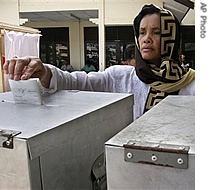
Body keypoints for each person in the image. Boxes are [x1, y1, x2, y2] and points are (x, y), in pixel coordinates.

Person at [3, 4, 195, 120]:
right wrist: (45, 72)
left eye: (156, 32)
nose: (146, 38)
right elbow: (78, 82)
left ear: (172, 38)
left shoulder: (193, 85)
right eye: (142, 32)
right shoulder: (121, 76)